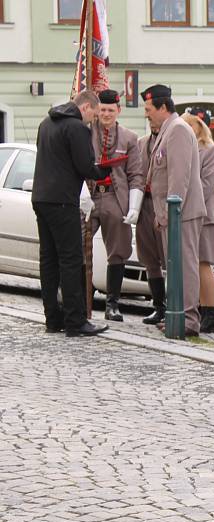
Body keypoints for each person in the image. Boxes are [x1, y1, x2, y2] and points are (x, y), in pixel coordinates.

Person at [31, 90, 109, 337]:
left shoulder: (46, 123)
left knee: (49, 260)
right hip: (63, 201)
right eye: (94, 115)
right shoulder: (76, 128)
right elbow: (84, 166)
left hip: (41, 197)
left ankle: (53, 319)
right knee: (71, 259)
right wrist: (103, 173)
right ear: (86, 107)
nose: (93, 121)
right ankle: (76, 321)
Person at [141, 84, 206, 337]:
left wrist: (170, 213)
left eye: (149, 109)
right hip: (174, 214)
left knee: (185, 266)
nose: (147, 114)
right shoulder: (168, 130)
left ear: (163, 107)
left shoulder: (177, 130)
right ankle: (178, 313)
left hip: (182, 214)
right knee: (176, 266)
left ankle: (188, 318)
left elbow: (179, 178)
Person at [89, 89, 144, 322]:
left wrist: (134, 206)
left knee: (118, 252)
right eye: (102, 110)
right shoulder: (85, 132)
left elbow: (136, 174)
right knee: (77, 247)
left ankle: (112, 304)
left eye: (110, 110)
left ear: (118, 110)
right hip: (88, 197)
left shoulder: (130, 138)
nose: (106, 114)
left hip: (115, 197)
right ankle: (80, 300)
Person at [181, 112, 214, 334]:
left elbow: (206, 185)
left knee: (203, 263)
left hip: (204, 215)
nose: (187, 128)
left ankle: (210, 312)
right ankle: (194, 309)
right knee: (191, 263)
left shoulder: (211, 150)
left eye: (191, 124)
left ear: (200, 126)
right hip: (189, 213)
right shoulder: (186, 147)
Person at [136, 124, 167, 325]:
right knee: (149, 258)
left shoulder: (171, 142)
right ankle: (159, 306)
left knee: (170, 258)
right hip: (144, 202)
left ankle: (175, 305)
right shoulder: (141, 143)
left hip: (164, 203)